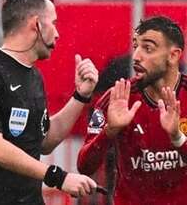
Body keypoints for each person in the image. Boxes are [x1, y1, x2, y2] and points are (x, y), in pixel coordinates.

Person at [0, 0, 99, 204]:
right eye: (54, 23)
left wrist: (80, 96)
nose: (58, 33)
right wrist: (57, 177)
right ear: (37, 24)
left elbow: (44, 141)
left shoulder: (34, 76)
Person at [77, 16, 187, 204]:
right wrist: (109, 131)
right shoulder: (113, 100)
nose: (136, 56)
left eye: (148, 48)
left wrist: (177, 137)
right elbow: (84, 166)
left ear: (173, 55)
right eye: (135, 46)